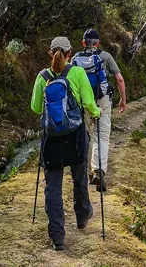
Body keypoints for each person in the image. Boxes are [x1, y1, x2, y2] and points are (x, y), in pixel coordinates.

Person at [31, 36, 101, 251]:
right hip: (76, 136)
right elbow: (89, 103)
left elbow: (35, 108)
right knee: (79, 177)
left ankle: (57, 238)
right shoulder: (77, 73)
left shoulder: (42, 77)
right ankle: (82, 217)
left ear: (50, 53)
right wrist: (97, 112)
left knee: (53, 187)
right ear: (70, 53)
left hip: (51, 139)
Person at [71, 28, 127, 191]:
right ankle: (98, 171)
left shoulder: (75, 58)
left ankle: (87, 172)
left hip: (84, 101)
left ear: (83, 43)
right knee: (101, 135)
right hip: (102, 99)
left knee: (86, 135)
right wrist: (123, 99)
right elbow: (119, 78)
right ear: (97, 43)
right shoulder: (106, 56)